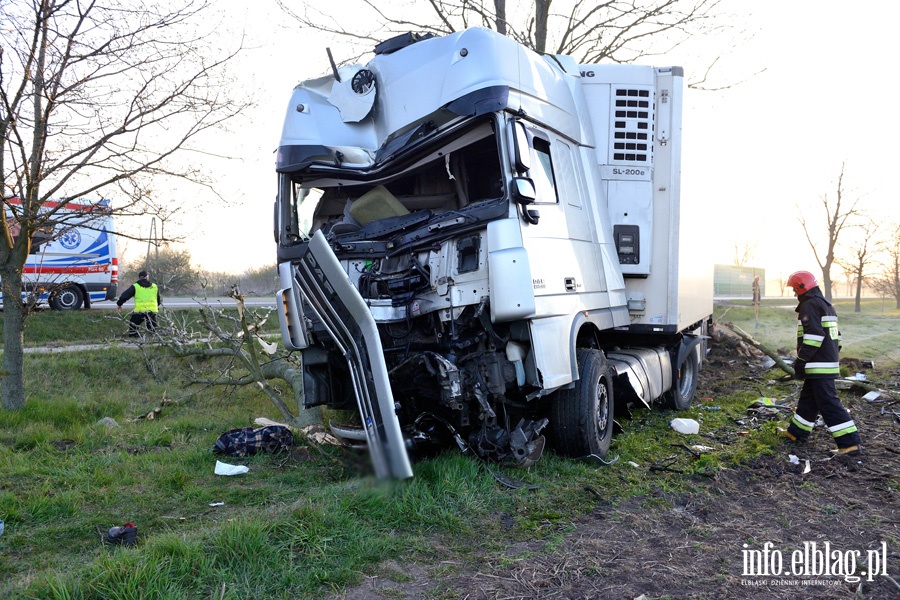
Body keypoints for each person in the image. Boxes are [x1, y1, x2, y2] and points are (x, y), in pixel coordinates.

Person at [778, 270, 861, 455]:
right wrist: (827, 358)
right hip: (824, 363)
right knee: (808, 399)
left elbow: (814, 336)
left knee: (828, 403)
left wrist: (801, 360)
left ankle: (850, 444)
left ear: (802, 287)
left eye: (794, 289)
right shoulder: (825, 304)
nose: (794, 294)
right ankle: (796, 433)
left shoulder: (809, 305)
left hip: (818, 365)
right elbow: (837, 339)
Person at [117, 270, 162, 337]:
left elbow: (125, 296)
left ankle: (134, 338)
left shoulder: (135, 286)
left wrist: (119, 304)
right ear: (147, 277)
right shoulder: (154, 286)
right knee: (152, 329)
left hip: (140, 311)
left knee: (133, 325)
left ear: (139, 278)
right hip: (152, 311)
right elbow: (158, 299)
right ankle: (152, 340)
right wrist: (156, 306)